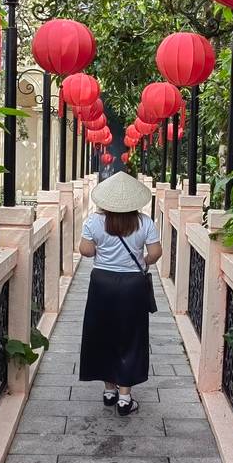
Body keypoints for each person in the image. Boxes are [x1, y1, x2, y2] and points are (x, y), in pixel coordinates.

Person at [78, 172, 162, 416]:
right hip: (132, 285)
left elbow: (86, 251)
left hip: (102, 283)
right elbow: (155, 253)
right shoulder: (145, 222)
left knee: (102, 333)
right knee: (131, 336)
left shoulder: (94, 222)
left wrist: (102, 249)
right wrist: (142, 262)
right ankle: (125, 397)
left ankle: (109, 390)